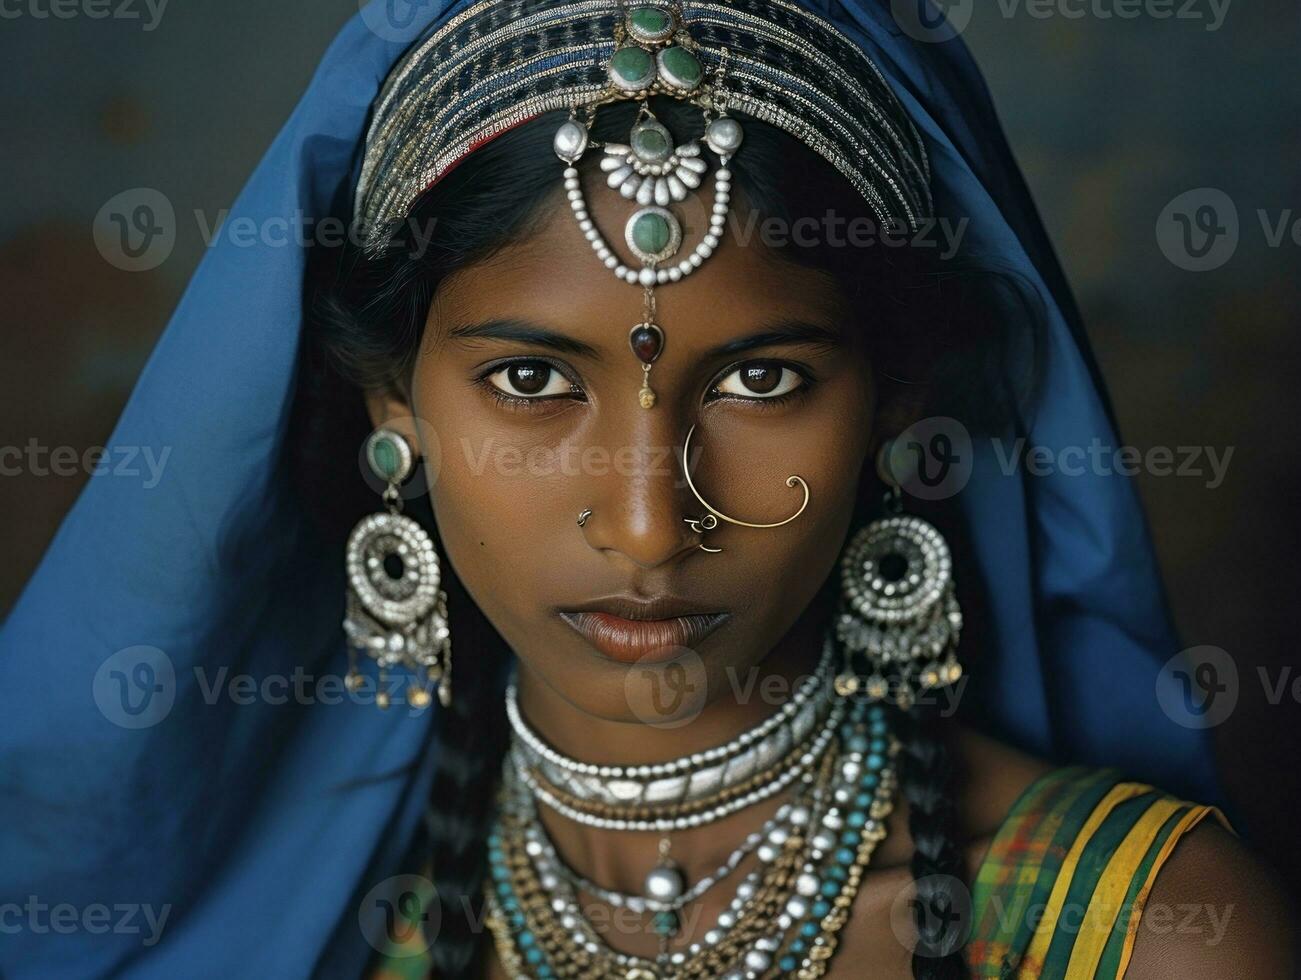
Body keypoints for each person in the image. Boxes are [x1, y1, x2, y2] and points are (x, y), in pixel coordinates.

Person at [0, 1, 1291, 978]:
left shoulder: (1146, 932)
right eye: (527, 381)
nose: (645, 524)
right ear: (391, 407)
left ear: (897, 412)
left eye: (762, 382)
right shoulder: (321, 924)